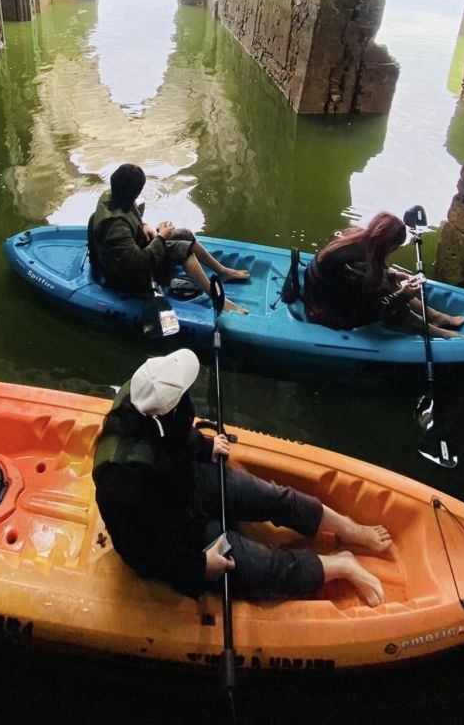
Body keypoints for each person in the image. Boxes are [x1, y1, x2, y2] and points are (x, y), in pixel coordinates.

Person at [93, 349, 392, 605]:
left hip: (186, 485)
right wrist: (198, 567)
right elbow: (142, 554)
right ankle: (341, 565)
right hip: (177, 535)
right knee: (263, 567)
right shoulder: (121, 487)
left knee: (270, 496)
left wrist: (205, 445)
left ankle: (348, 528)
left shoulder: (147, 394)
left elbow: (179, 434)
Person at [88, 163, 249, 313]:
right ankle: (217, 299)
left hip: (135, 250)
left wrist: (144, 226)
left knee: (185, 234)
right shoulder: (116, 228)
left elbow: (131, 214)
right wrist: (161, 238)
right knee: (182, 250)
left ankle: (223, 271)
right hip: (128, 276)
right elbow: (138, 263)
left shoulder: (114, 194)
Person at [303, 212, 464, 338]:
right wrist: (403, 296)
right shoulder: (358, 269)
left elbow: (365, 275)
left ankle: (435, 316)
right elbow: (372, 308)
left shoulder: (351, 233)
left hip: (329, 292)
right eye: (395, 248)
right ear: (388, 246)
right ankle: (443, 334)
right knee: (397, 308)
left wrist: (392, 274)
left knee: (392, 284)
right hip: (327, 312)